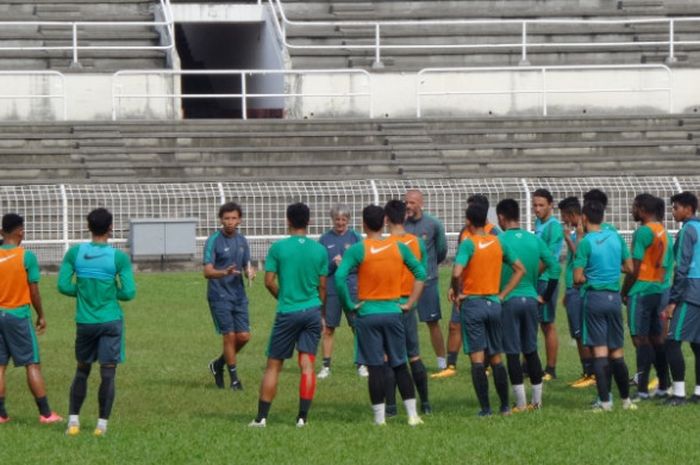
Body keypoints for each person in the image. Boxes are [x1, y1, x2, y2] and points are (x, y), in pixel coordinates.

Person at [336, 204, 426, 426]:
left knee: (376, 366)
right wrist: (410, 302)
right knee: (399, 363)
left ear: (364, 224)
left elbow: (339, 278)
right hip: (393, 311)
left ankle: (379, 419)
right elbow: (421, 273)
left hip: (368, 314)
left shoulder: (358, 249)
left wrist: (349, 304)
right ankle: (413, 416)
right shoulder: (398, 247)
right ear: (384, 221)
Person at [58, 208, 136, 436]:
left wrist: (83, 292)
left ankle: (73, 422)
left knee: (82, 370)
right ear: (110, 228)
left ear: (88, 226)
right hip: (110, 320)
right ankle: (101, 426)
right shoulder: (118, 257)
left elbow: (63, 285)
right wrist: (111, 294)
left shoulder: (75, 254)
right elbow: (129, 293)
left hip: (85, 322)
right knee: (108, 373)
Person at [250, 203, 328, 428]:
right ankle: (302, 417)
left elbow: (268, 281)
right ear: (309, 222)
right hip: (312, 310)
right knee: (307, 364)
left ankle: (262, 418)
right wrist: (317, 307)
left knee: (274, 365)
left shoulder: (279, 248)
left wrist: (284, 297)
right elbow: (323, 286)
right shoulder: (319, 250)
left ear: (288, 220)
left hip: (288, 311)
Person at [451, 203, 525, 416]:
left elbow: (456, 273)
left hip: (473, 304)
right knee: (496, 357)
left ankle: (485, 409)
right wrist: (502, 295)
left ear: (467, 221)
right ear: (486, 220)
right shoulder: (497, 242)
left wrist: (458, 294)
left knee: (477, 358)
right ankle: (504, 406)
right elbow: (520, 269)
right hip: (494, 304)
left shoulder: (468, 243)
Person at [496, 199, 559, 411]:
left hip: (510, 301)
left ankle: (521, 403)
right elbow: (555, 267)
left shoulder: (500, 240)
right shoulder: (535, 240)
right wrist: (547, 296)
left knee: (513, 352)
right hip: (531, 299)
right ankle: (537, 401)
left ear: (501, 218)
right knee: (531, 350)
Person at [573, 201, 636, 412]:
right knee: (617, 352)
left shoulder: (586, 242)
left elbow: (577, 277)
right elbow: (629, 267)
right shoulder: (616, 237)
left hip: (595, 298)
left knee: (599, 352)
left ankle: (605, 402)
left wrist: (590, 275)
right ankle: (626, 401)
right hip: (614, 298)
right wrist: (610, 269)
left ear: (584, 218)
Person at [0, 213, 62, 425]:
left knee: (0, 366)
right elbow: (34, 291)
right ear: (21, 231)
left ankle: (1, 414)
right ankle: (46, 414)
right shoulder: (26, 257)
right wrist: (41, 315)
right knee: (32, 363)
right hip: (17, 315)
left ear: (1, 232)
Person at [432, 194, 500, 380]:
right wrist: (453, 287)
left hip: (483, 292)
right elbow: (458, 265)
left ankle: (485, 364)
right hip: (463, 289)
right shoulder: (464, 231)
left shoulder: (494, 234)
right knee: (455, 325)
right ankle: (451, 364)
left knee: (483, 329)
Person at [384, 199, 431, 415]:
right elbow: (423, 272)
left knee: (390, 356)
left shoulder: (384, 245)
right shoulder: (416, 242)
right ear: (404, 216)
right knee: (414, 354)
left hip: (390, 302)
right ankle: (426, 404)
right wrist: (412, 300)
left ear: (386, 220)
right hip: (410, 302)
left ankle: (391, 407)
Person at [620, 194, 668, 400]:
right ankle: (663, 385)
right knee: (656, 338)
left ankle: (641, 390)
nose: (632, 211)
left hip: (640, 291)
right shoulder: (663, 231)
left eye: (634, 207)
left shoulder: (642, 232)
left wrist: (624, 291)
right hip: (657, 289)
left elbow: (635, 267)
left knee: (640, 339)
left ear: (641, 209)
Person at [204, 202, 255, 391]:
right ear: (221, 220)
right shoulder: (214, 240)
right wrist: (224, 272)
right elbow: (207, 271)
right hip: (219, 295)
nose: (230, 222)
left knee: (244, 336)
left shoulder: (242, 241)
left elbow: (246, 266)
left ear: (240, 220)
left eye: (234, 218)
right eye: (226, 218)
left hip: (239, 295)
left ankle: (217, 365)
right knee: (229, 336)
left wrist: (250, 272)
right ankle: (234, 380)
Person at [661, 191, 700, 406]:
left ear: (688, 208)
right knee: (697, 344)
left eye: (675, 208)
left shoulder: (688, 230)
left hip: (691, 291)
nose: (673, 212)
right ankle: (698, 392)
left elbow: (682, 267)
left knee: (672, 341)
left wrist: (673, 300)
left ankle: (678, 393)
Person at [317, 204, 364, 379]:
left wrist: (347, 263)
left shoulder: (355, 237)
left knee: (357, 326)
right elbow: (320, 267)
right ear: (332, 220)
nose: (340, 223)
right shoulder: (324, 239)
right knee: (328, 328)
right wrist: (332, 265)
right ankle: (326, 366)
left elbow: (363, 262)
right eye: (337, 219)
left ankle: (362, 364)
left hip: (352, 286)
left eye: (344, 219)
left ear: (348, 220)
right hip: (331, 288)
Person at [404, 189, 448, 370]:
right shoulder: (402, 225)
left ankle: (441, 362)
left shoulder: (433, 224)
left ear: (421, 204)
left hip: (428, 281)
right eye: (406, 202)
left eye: (412, 202)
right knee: (405, 322)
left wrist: (429, 267)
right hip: (406, 282)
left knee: (432, 322)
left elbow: (441, 250)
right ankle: (409, 359)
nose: (408, 206)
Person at [558, 197, 596, 388]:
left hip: (579, 289)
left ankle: (591, 372)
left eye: (564, 215)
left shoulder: (582, 233)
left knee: (581, 333)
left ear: (572, 214)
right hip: (572, 289)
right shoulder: (579, 232)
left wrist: (569, 238)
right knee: (578, 332)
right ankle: (588, 371)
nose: (564, 220)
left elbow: (579, 255)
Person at [532, 188, 563, 381]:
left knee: (547, 324)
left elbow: (549, 257)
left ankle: (551, 368)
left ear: (550, 206)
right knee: (533, 323)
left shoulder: (554, 227)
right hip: (537, 280)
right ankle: (529, 364)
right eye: (535, 205)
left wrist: (531, 275)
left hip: (546, 280)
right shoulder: (538, 223)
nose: (537, 209)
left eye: (541, 205)